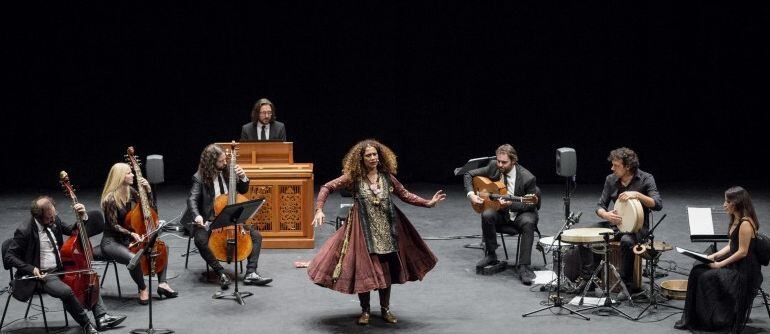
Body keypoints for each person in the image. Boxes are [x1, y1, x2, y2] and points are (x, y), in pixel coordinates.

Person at [308, 139, 446, 325]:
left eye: (375, 154)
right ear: (361, 158)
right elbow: (327, 187)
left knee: (387, 268)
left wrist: (427, 203)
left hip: (387, 228)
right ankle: (365, 311)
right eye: (368, 155)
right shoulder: (354, 177)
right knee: (363, 268)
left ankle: (385, 309)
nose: (373, 158)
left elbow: (404, 194)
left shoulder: (386, 176)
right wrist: (319, 209)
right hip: (362, 229)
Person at [5, 196, 127, 333]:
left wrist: (82, 218)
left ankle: (101, 317)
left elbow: (71, 230)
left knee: (87, 276)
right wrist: (31, 269)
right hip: (43, 275)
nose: (52, 220)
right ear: (38, 217)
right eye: (48, 218)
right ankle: (86, 325)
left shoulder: (53, 219)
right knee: (66, 291)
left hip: (60, 268)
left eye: (53, 215)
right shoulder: (25, 231)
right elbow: (9, 257)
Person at [675, 186, 763, 332]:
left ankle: (714, 318)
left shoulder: (746, 223)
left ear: (737, 203)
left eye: (727, 201)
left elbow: (742, 252)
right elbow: (731, 246)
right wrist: (713, 256)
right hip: (736, 263)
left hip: (743, 270)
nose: (724, 204)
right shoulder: (736, 219)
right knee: (698, 270)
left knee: (706, 277)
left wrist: (719, 264)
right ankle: (699, 317)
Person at [576, 147, 662, 294]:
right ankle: (589, 279)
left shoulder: (646, 179)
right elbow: (600, 205)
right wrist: (606, 215)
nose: (612, 168)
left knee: (627, 241)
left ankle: (625, 285)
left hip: (638, 228)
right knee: (584, 236)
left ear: (627, 167)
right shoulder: (610, 180)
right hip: (615, 224)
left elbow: (657, 204)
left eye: (616, 165)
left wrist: (637, 195)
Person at [187, 144, 273, 289]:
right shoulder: (199, 177)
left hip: (231, 217)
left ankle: (251, 272)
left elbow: (243, 190)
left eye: (225, 160)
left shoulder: (228, 170)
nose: (225, 163)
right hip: (211, 219)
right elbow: (192, 199)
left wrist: (243, 177)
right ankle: (220, 272)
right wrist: (197, 216)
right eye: (221, 161)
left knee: (257, 236)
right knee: (200, 240)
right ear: (210, 162)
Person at [100, 163, 178, 304]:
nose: (132, 175)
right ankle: (142, 289)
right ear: (119, 177)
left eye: (131, 172)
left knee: (161, 247)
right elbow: (113, 225)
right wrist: (131, 234)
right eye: (128, 173)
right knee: (133, 258)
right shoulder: (110, 199)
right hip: (112, 241)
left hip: (130, 236)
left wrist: (148, 191)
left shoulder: (131, 191)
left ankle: (162, 284)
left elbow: (150, 211)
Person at [463, 144, 540, 285]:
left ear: (513, 161)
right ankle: (491, 254)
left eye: (504, 162)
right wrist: (471, 195)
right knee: (487, 214)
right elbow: (468, 174)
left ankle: (524, 266)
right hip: (501, 212)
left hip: (521, 213)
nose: (500, 165)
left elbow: (532, 204)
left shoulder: (528, 178)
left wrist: (512, 204)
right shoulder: (494, 166)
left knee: (529, 222)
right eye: (498, 161)